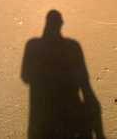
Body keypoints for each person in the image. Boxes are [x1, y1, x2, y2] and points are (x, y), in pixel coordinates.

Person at [21, 10, 106, 139]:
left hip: (43, 113)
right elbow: (84, 83)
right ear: (61, 24)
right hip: (69, 111)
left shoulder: (32, 45)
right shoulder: (73, 46)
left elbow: (25, 77)